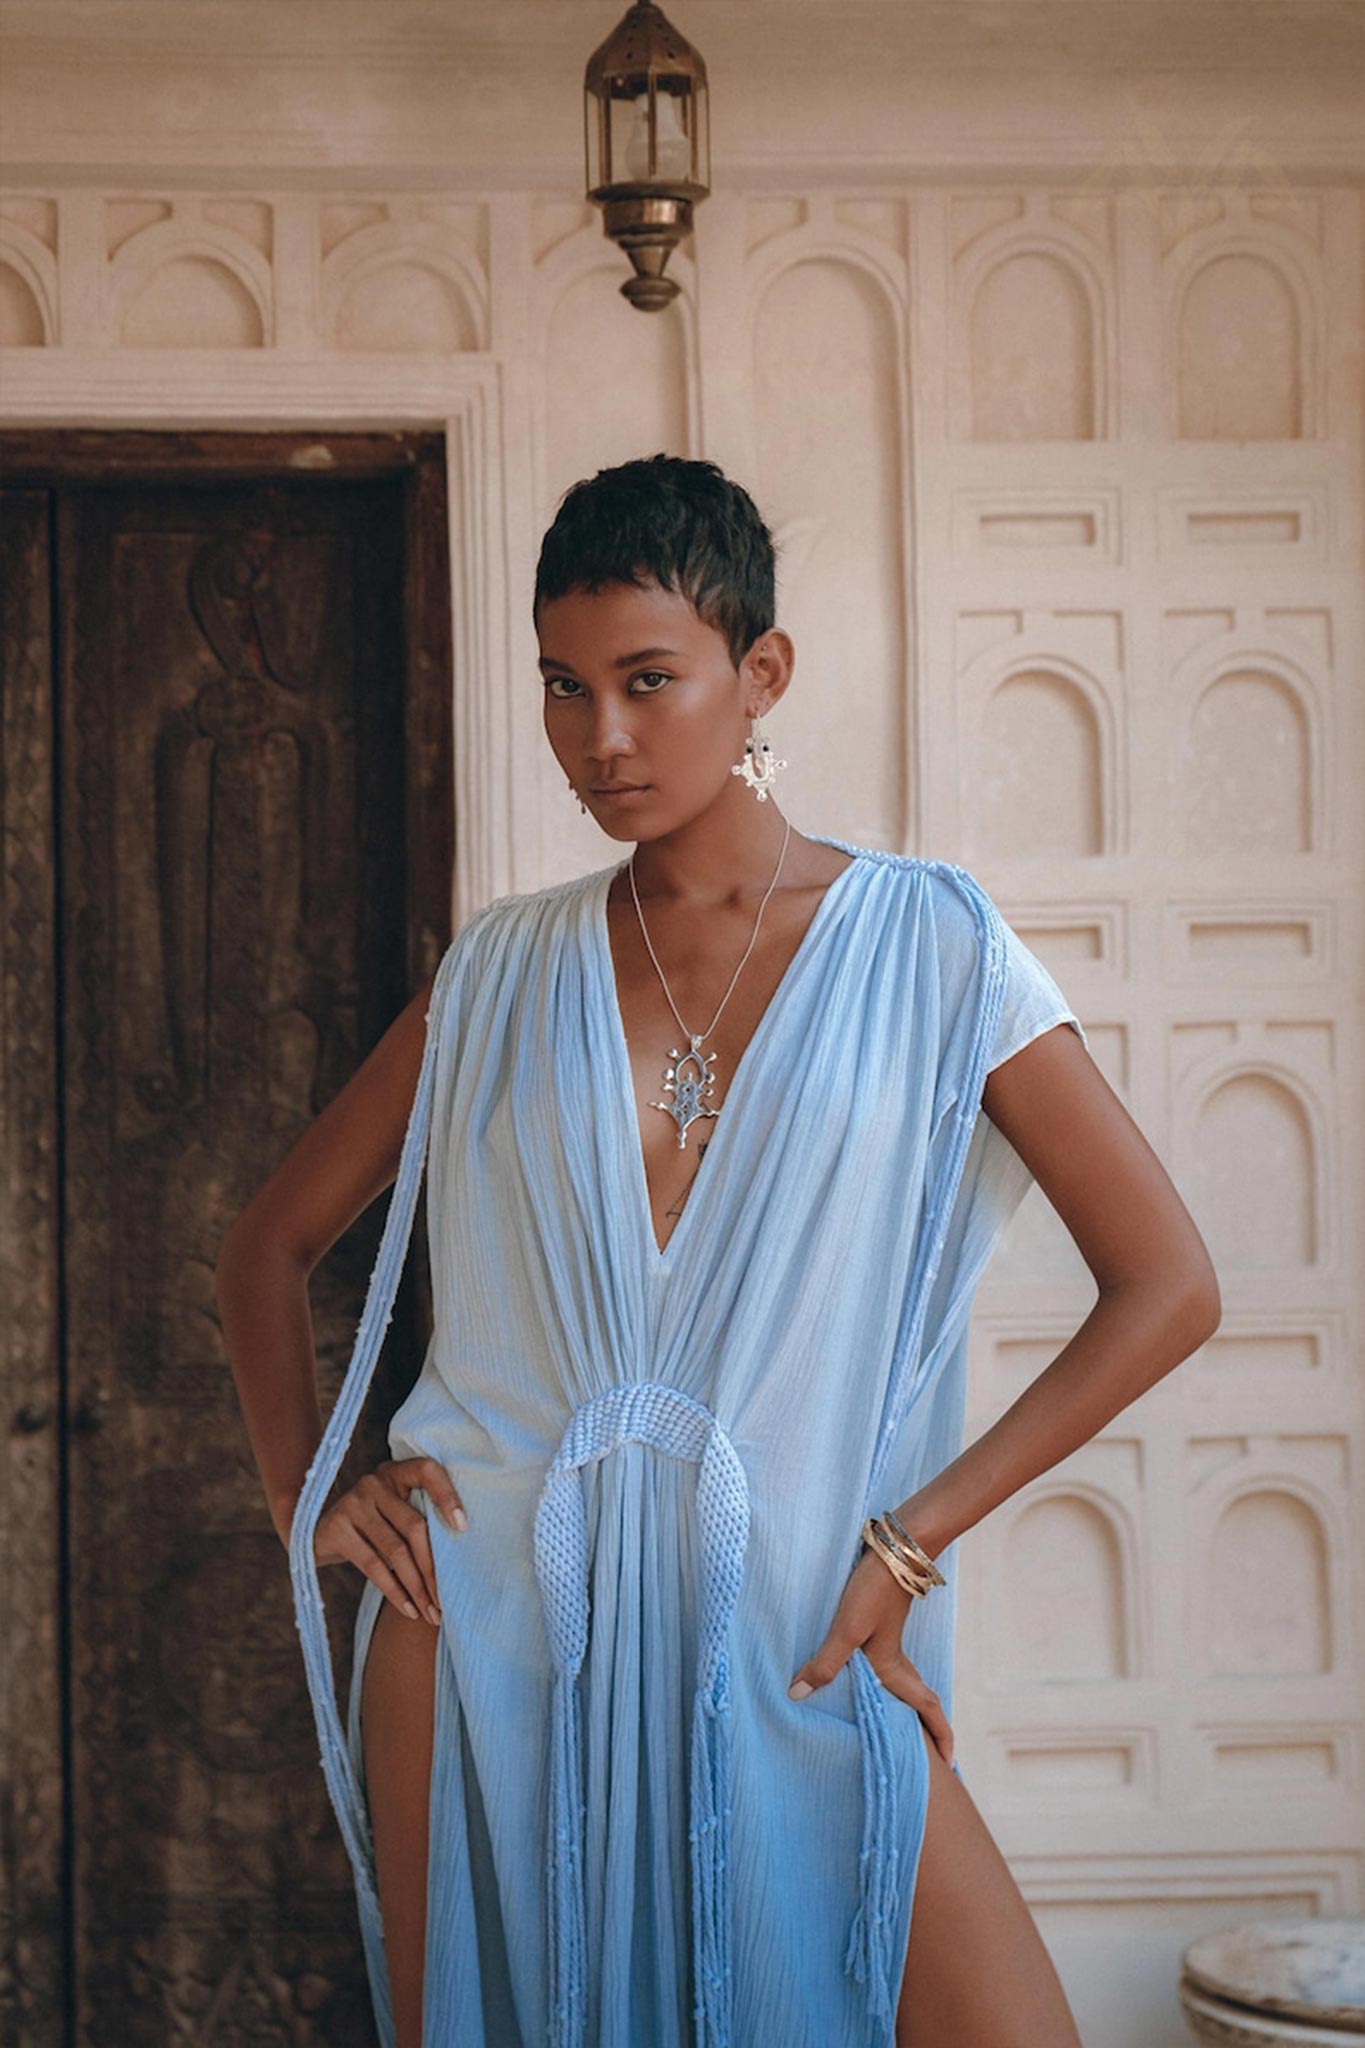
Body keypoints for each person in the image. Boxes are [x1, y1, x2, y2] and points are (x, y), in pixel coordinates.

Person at [218, 453, 1221, 2048]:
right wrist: (308, 1499)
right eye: (563, 687)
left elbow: (1168, 1285)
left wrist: (908, 1545)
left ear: (759, 676)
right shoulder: (500, 969)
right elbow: (264, 1246)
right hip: (482, 1641)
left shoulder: (932, 944)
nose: (597, 740)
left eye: (645, 682)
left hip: (793, 1639)